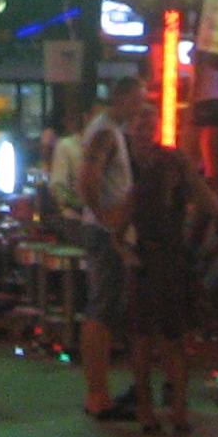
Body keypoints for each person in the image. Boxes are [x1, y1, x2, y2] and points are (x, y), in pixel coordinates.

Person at [125, 117, 215, 434]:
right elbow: (212, 206)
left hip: (162, 263)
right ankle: (163, 408)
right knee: (158, 339)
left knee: (160, 338)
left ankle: (164, 408)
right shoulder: (145, 190)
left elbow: (212, 205)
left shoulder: (151, 190)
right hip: (160, 263)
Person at [76, 79, 146, 419]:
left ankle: (101, 392)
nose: (140, 107)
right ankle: (98, 395)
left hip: (108, 229)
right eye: (137, 99)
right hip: (106, 232)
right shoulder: (105, 132)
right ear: (121, 98)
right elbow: (88, 180)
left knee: (107, 307)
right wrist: (106, 218)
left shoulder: (109, 130)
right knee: (102, 309)